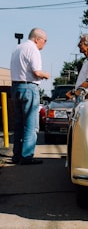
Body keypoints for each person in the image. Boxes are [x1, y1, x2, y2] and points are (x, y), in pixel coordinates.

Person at [10, 28, 50, 165]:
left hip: (15, 87)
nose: (44, 45)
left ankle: (16, 155)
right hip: (29, 87)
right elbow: (37, 72)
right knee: (31, 125)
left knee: (19, 124)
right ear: (37, 39)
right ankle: (26, 156)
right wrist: (46, 75)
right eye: (44, 41)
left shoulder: (17, 48)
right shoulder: (33, 50)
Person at [66, 34, 88, 101]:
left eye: (80, 43)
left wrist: (73, 93)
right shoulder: (87, 61)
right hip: (83, 97)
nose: (78, 45)